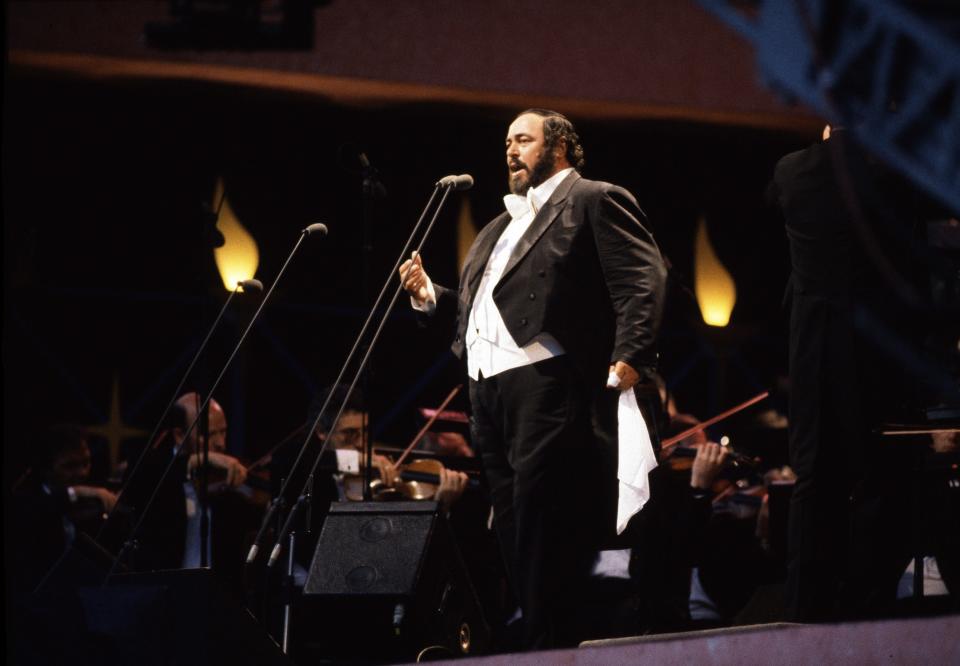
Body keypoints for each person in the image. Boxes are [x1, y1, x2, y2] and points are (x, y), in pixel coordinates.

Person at [400, 108, 667, 648]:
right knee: (514, 523)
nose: (511, 150)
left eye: (523, 139)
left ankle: (551, 641)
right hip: (487, 388)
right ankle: (541, 632)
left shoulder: (593, 197)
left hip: (544, 381)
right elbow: (487, 308)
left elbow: (644, 275)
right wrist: (432, 296)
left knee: (542, 515)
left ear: (560, 147)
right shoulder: (497, 227)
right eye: (507, 141)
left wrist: (631, 350)